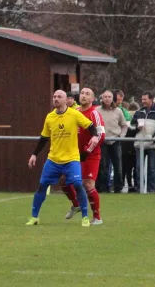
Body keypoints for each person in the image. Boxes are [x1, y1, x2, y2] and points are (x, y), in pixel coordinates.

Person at [26, 90, 98, 227]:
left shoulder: (74, 114)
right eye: (54, 96)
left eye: (59, 97)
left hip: (71, 159)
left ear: (66, 100)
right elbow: (44, 138)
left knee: (77, 184)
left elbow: (90, 126)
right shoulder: (50, 117)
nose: (56, 99)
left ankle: (85, 217)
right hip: (53, 159)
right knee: (42, 186)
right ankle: (34, 217)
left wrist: (94, 136)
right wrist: (34, 154)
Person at [61, 87, 105, 225]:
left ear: (92, 99)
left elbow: (100, 135)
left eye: (87, 94)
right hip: (74, 154)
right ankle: (76, 205)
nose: (84, 96)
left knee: (88, 184)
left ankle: (97, 217)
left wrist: (87, 151)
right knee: (63, 180)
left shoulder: (94, 114)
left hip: (90, 155)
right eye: (82, 93)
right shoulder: (75, 112)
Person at [97, 89, 127, 193]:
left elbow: (124, 125)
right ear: (102, 98)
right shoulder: (97, 110)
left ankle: (118, 188)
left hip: (115, 141)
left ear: (112, 98)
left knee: (118, 165)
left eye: (109, 97)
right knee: (103, 166)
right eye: (105, 97)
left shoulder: (118, 111)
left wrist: (121, 136)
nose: (107, 98)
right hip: (103, 142)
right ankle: (104, 188)